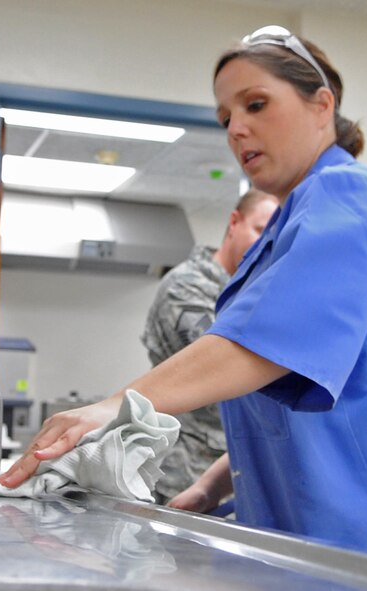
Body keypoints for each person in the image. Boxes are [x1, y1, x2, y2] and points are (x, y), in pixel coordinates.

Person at [0, 25, 367, 577]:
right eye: (225, 119)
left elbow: (264, 347)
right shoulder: (294, 223)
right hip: (326, 543)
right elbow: (293, 405)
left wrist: (111, 407)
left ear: (322, 105)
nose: (237, 129)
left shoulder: (350, 196)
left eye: (257, 104)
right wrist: (212, 484)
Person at [141, 188, 278, 504]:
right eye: (259, 230)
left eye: (274, 238)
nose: (265, 246)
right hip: (185, 467)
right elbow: (221, 368)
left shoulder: (257, 290)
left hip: (234, 468)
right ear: (234, 222)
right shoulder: (187, 287)